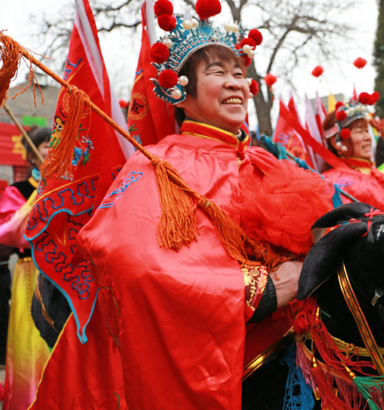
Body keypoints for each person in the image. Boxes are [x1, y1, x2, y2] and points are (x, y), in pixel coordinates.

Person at [36, 11, 334, 409]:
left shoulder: (266, 160)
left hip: (291, 358)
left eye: (240, 74)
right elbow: (135, 262)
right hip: (222, 367)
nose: (235, 83)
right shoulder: (158, 164)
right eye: (217, 72)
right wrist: (259, 290)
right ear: (181, 89)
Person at [0, 127, 51, 410]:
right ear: (32, 155)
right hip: (30, 272)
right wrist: (42, 191)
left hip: (62, 276)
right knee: (28, 342)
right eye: (45, 146)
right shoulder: (18, 191)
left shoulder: (67, 187)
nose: (51, 151)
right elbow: (14, 231)